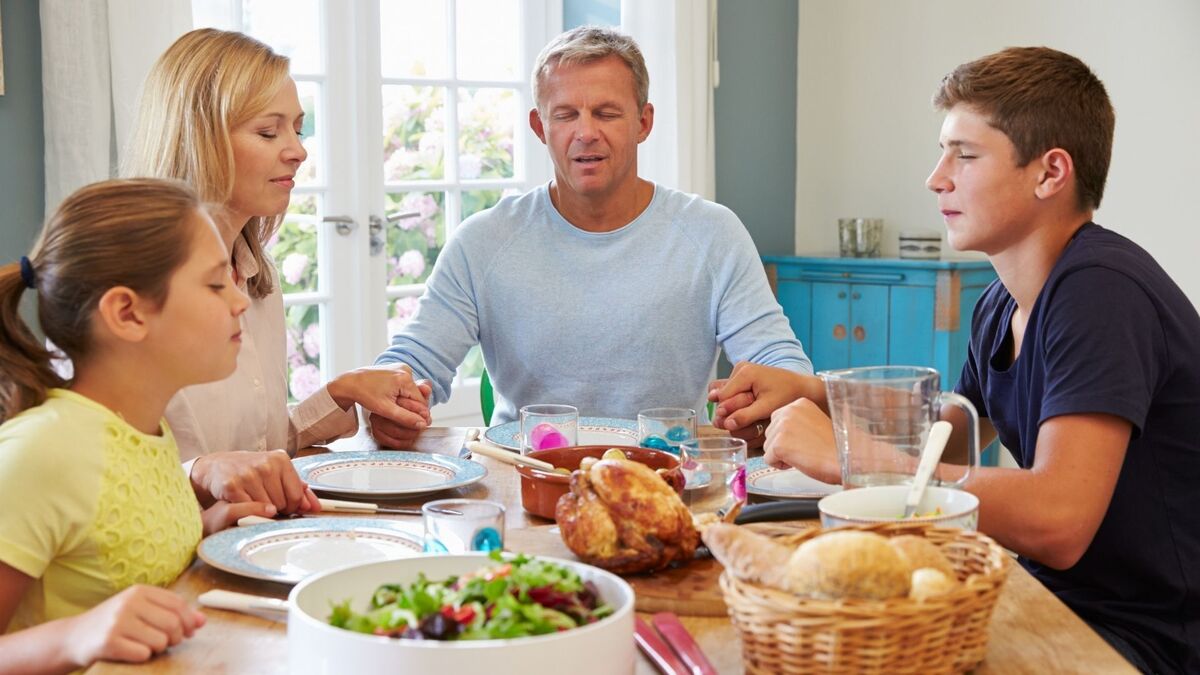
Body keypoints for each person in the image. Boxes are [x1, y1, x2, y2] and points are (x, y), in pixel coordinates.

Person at [713, 47, 1200, 673]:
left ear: (1051, 173)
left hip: (1148, 635)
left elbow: (1059, 519)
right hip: (1058, 597)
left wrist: (852, 461)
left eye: (964, 155)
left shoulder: (1101, 291)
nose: (935, 177)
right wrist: (812, 393)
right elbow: (957, 433)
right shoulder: (1002, 299)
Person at [370, 26, 811, 448]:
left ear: (643, 121)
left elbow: (781, 365)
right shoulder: (482, 241)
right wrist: (395, 398)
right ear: (540, 127)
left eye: (606, 113)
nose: (585, 132)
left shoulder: (713, 234)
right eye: (565, 115)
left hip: (666, 479)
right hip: (527, 476)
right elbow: (412, 362)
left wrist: (768, 399)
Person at [123, 28, 433, 511]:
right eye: (269, 132)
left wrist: (343, 391)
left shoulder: (255, 275)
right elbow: (86, 468)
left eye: (298, 129)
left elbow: (258, 448)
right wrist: (199, 472)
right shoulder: (128, 290)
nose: (298, 150)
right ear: (198, 137)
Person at [0, 179, 279, 672]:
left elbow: (116, 550)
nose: (240, 302)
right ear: (127, 313)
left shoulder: (147, 432)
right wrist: (72, 637)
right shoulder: (41, 452)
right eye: (216, 284)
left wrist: (210, 529)